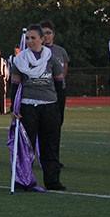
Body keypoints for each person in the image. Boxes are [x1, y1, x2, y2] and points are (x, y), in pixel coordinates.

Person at [10, 25, 66, 191]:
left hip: (49, 106)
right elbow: (15, 87)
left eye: (33, 38)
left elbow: (59, 85)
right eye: (27, 38)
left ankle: (52, 180)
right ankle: (23, 179)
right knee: (26, 146)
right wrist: (15, 108)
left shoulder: (52, 59)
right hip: (28, 107)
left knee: (50, 144)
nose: (30, 41)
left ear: (42, 39)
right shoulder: (19, 60)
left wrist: (59, 108)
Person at [41, 21, 70, 162]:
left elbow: (64, 70)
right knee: (42, 127)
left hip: (58, 92)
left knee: (56, 126)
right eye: (44, 33)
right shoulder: (36, 52)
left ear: (53, 34)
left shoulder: (60, 51)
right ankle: (42, 156)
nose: (46, 36)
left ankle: (54, 158)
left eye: (49, 33)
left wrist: (59, 84)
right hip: (43, 93)